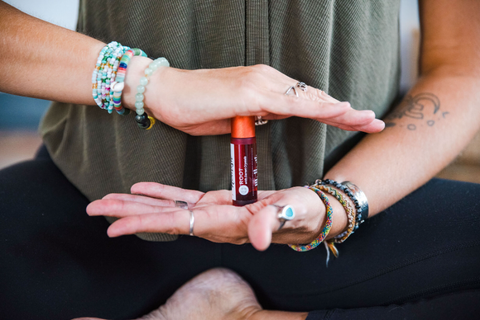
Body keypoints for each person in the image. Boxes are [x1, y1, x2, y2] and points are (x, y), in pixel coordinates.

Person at [1, 0, 479, 319]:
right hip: (102, 209)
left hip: (341, 226)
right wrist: (150, 83)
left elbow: (463, 63)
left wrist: (338, 203)